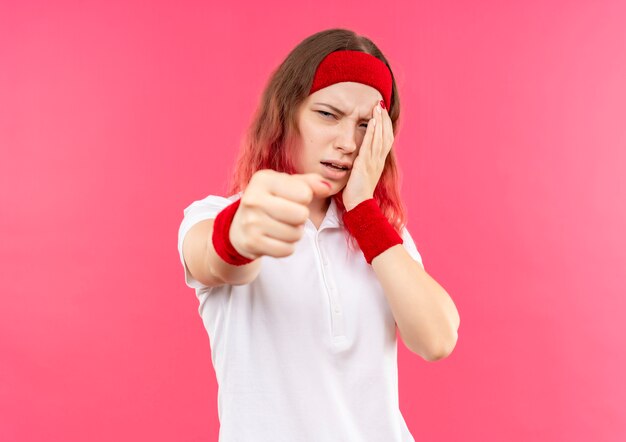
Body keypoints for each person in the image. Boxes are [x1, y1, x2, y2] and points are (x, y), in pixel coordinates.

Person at [177, 28, 460, 442]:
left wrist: (363, 210)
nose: (348, 142)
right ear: (286, 113)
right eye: (328, 114)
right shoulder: (213, 215)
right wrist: (240, 233)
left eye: (366, 124)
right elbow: (214, 258)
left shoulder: (381, 235)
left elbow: (437, 339)